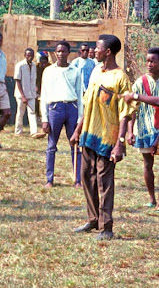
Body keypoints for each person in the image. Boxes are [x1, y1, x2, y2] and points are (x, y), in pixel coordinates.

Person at [71, 34, 134, 241]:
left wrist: (120, 144)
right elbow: (88, 102)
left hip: (108, 138)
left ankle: (106, 227)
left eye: (97, 48)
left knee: (104, 182)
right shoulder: (96, 71)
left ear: (107, 52)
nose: (93, 50)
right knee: (86, 177)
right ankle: (93, 219)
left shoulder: (121, 78)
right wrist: (78, 130)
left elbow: (125, 113)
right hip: (89, 134)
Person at [40, 41, 83, 188]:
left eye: (63, 51)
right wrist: (44, 118)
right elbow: (44, 95)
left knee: (75, 145)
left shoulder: (75, 71)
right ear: (55, 53)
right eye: (58, 51)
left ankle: (78, 180)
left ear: (68, 53)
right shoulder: (49, 71)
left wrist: (80, 118)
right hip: (55, 108)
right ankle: (49, 179)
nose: (60, 54)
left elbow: (80, 96)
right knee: (51, 145)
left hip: (71, 107)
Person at [123, 48, 159, 208]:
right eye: (148, 61)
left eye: (153, 61)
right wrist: (130, 131)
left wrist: (136, 96)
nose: (149, 64)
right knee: (147, 164)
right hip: (145, 129)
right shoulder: (140, 82)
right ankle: (152, 198)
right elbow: (132, 109)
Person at [14, 48, 44, 138]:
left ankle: (34, 132)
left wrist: (35, 87)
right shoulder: (20, 65)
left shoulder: (34, 65)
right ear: (25, 55)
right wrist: (23, 96)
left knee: (32, 112)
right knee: (20, 113)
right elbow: (17, 81)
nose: (30, 57)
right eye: (28, 55)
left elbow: (33, 79)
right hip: (21, 94)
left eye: (31, 55)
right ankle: (18, 131)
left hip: (31, 93)